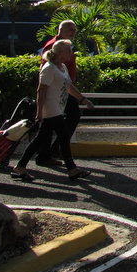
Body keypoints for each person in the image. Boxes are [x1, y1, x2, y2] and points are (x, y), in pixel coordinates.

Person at [12, 40, 94, 182]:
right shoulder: (49, 68)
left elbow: (69, 87)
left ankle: (20, 167)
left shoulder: (62, 67)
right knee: (63, 136)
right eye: (69, 50)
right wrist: (39, 112)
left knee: (41, 139)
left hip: (57, 108)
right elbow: (41, 91)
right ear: (61, 52)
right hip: (50, 109)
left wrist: (82, 99)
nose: (71, 53)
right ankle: (72, 169)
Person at [38, 20, 82, 165]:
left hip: (63, 87)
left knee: (49, 126)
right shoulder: (53, 46)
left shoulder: (65, 45)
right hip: (57, 90)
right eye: (71, 30)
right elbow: (46, 71)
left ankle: (47, 154)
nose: (73, 33)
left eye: (74, 30)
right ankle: (55, 152)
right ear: (61, 30)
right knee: (71, 116)